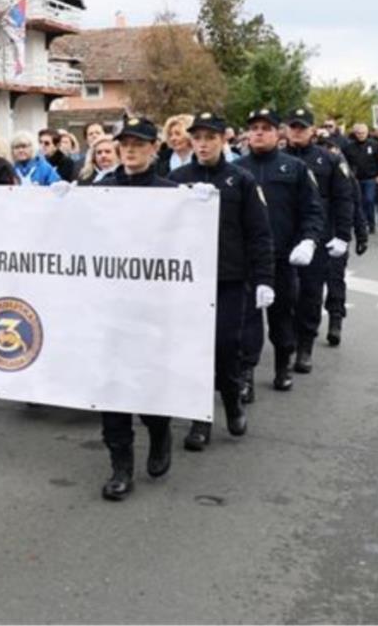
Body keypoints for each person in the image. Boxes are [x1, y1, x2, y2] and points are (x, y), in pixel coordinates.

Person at [170, 111, 275, 453]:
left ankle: (232, 400)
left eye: (209, 138)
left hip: (229, 277)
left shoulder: (240, 179)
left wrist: (264, 279)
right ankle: (201, 419)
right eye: (197, 138)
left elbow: (259, 232)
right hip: (189, 279)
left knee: (226, 346)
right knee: (195, 350)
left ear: (222, 140)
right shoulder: (176, 177)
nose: (202, 144)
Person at [95, 116, 175, 500]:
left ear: (153, 148)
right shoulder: (101, 189)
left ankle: (160, 432)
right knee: (112, 387)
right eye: (124, 143)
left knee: (146, 383)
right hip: (110, 304)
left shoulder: (171, 193)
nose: (129, 149)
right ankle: (120, 465)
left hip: (152, 307)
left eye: (139, 144)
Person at [236, 107, 323, 395]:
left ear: (278, 133)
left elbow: (312, 210)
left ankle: (283, 364)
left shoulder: (295, 168)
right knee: (246, 319)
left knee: (281, 316)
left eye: (266, 127)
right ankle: (246, 373)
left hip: (282, 257)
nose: (258, 132)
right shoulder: (237, 169)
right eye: (254, 127)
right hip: (246, 258)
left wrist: (308, 240)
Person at [283, 107, 353, 374]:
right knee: (286, 294)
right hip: (285, 236)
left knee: (310, 293)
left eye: (302, 127)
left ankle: (305, 346)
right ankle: (286, 345)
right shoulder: (278, 158)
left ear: (312, 130)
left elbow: (343, 199)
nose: (297, 131)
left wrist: (343, 236)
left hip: (318, 236)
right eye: (293, 126)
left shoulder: (328, 159)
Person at [324, 158, 369, 347]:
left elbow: (355, 207)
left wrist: (361, 234)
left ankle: (335, 320)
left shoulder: (346, 178)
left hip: (336, 234)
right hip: (311, 234)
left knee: (335, 279)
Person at [343, 123, 378, 233]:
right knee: (357, 201)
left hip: (370, 178)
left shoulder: (374, 145)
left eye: (363, 133)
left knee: (369, 200)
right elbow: (345, 162)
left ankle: (371, 223)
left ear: (367, 133)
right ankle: (361, 223)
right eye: (358, 133)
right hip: (355, 178)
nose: (361, 135)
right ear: (355, 134)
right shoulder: (349, 147)